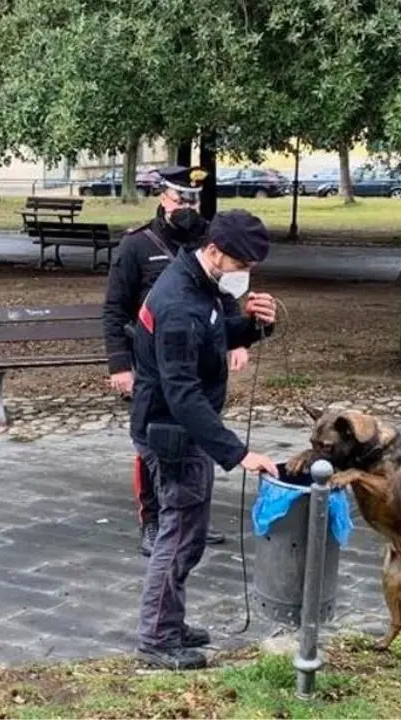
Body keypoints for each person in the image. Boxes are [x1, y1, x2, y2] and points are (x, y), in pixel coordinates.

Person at [129, 208, 280, 670]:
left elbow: (212, 338)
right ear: (214, 251)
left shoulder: (199, 285)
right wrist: (239, 453)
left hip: (183, 429)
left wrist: (254, 325)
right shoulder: (178, 302)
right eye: (240, 266)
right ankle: (157, 638)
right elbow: (182, 394)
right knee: (177, 539)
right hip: (174, 435)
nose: (244, 276)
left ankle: (169, 624)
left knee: (188, 538)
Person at [103, 165, 250, 556]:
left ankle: (190, 515)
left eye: (192, 199)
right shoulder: (136, 245)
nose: (186, 206)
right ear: (162, 198)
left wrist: (238, 339)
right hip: (152, 358)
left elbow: (225, 295)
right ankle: (152, 521)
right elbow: (115, 308)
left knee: (200, 430)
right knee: (155, 441)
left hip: (200, 359)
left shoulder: (207, 242)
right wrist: (120, 365)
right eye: (179, 198)